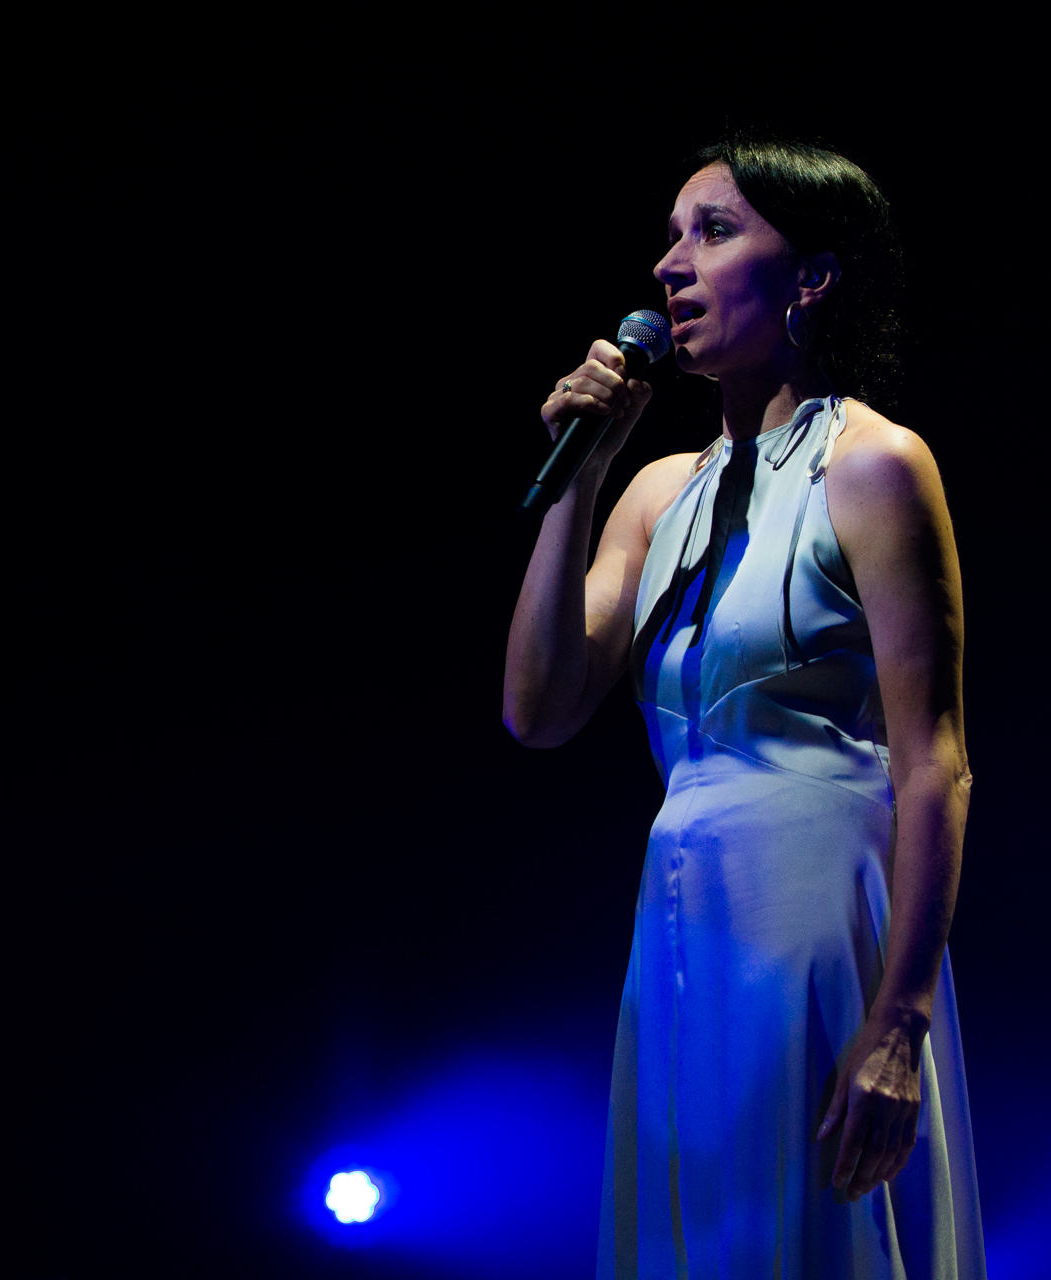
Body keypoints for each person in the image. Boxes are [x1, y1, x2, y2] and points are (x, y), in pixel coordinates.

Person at [502, 140, 983, 1277]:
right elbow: (536, 708)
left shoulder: (873, 464)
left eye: (713, 232)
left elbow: (934, 762)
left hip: (820, 909)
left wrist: (899, 1018)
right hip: (682, 911)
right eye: (670, 236)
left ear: (809, 277)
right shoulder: (655, 491)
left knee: (814, 1225)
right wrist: (579, 477)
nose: (669, 266)